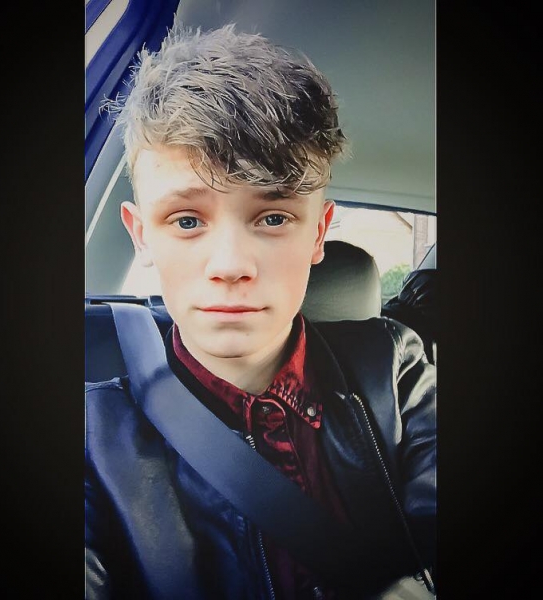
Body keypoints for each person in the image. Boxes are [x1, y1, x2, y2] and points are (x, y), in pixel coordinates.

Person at [85, 23, 436, 600]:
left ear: (318, 234)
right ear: (141, 235)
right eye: (187, 220)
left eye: (273, 218)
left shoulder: (396, 372)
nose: (230, 265)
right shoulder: (90, 432)